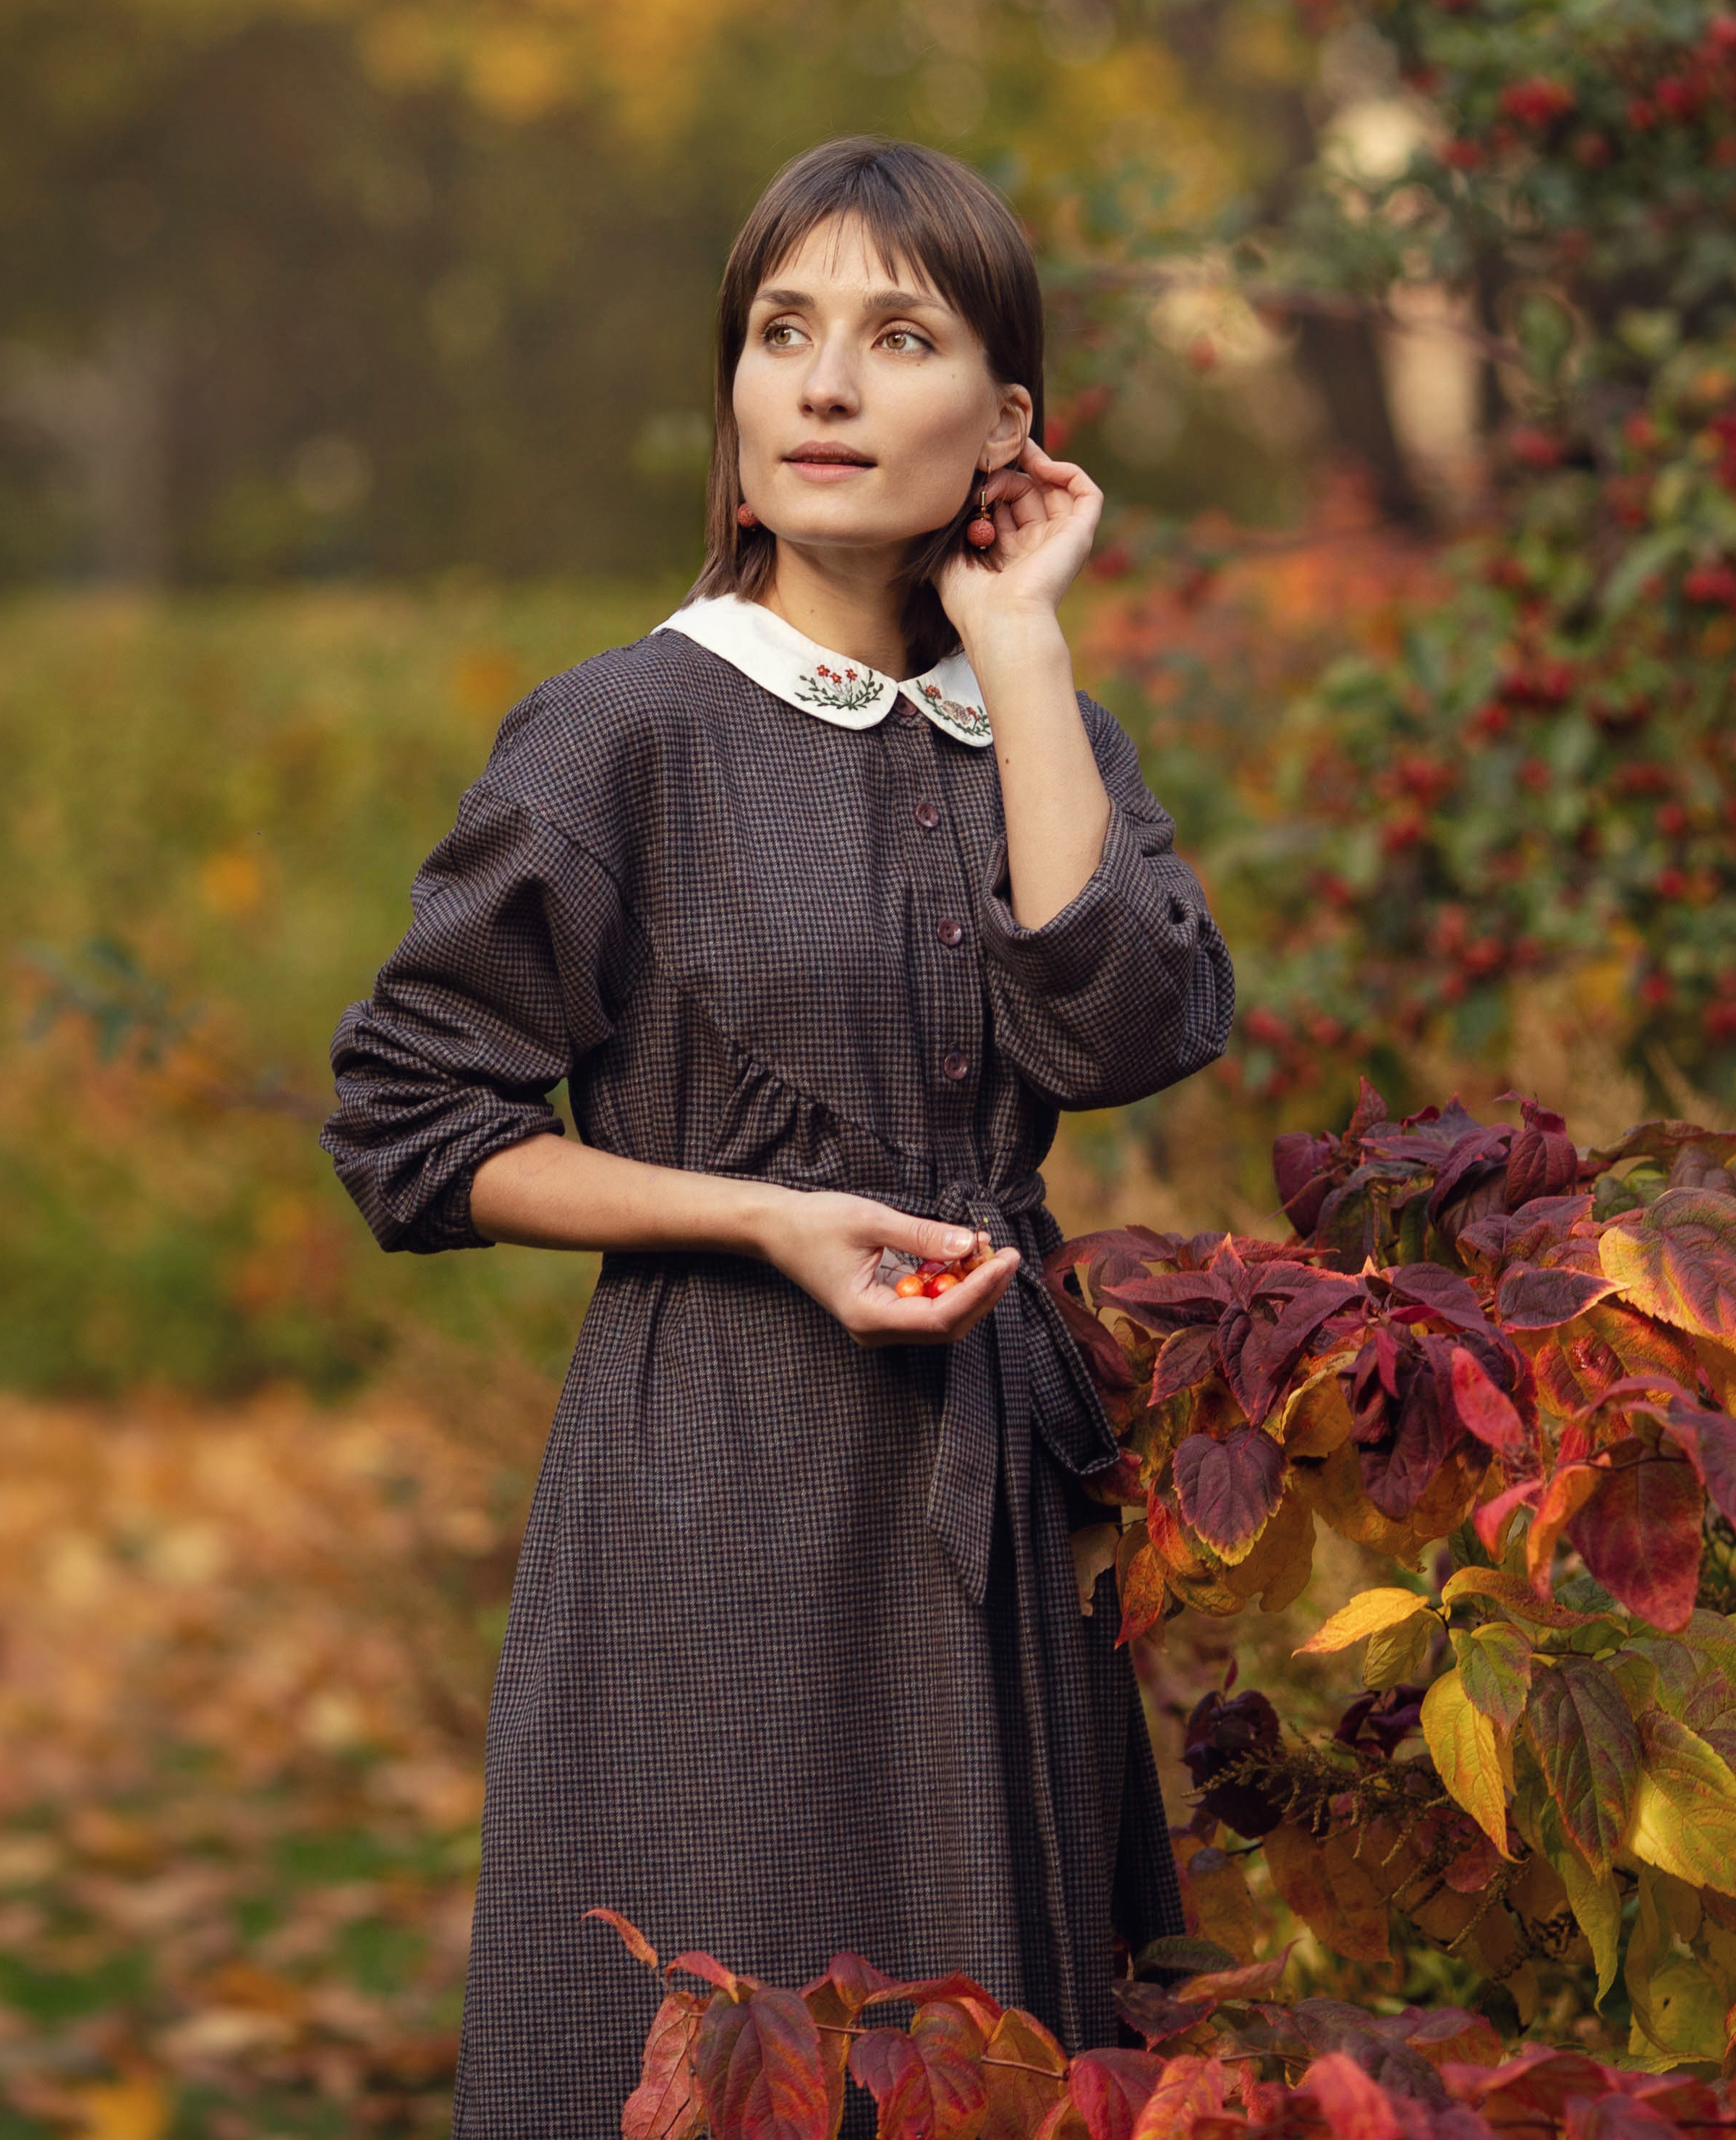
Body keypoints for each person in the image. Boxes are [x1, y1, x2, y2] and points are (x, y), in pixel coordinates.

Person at [323, 136, 1235, 2133]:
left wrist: (1021, 642)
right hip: (721, 1484)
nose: (821, 386)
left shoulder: (1039, 724)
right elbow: (408, 1122)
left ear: (1006, 420)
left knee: (1003, 2055)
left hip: (1002, 1487)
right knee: (719, 2041)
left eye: (895, 337)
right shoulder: (617, 733)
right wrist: (762, 1218)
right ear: (731, 398)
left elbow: (1125, 1026)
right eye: (779, 331)